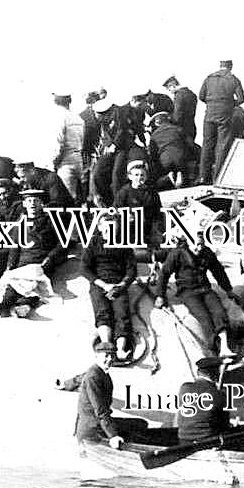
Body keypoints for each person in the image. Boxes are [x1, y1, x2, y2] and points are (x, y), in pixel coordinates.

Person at [0, 189, 67, 318]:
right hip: (24, 260)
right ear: (25, 204)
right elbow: (14, 247)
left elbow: (62, 244)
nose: (32, 204)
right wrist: (9, 266)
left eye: (36, 201)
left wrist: (50, 257)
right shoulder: (20, 223)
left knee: (32, 281)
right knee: (13, 279)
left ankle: (23, 305)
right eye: (29, 201)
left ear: (42, 204)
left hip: (42, 260)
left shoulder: (52, 221)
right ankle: (6, 306)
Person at [155, 232, 239, 358]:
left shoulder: (207, 252)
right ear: (188, 243)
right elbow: (164, 273)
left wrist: (228, 290)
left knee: (219, 312)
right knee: (204, 317)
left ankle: (225, 347)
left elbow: (218, 271)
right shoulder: (177, 253)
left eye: (201, 245)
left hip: (205, 289)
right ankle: (215, 349)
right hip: (187, 292)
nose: (199, 248)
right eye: (196, 245)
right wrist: (160, 295)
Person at [82, 212, 138, 359]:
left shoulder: (124, 245)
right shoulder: (93, 243)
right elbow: (84, 268)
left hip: (119, 284)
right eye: (106, 228)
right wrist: (103, 285)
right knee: (102, 311)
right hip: (100, 284)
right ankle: (106, 344)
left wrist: (122, 284)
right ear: (100, 228)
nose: (109, 231)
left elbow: (131, 270)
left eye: (113, 228)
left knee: (122, 313)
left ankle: (121, 348)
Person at [57, 340, 124, 450]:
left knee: (138, 424)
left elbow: (80, 378)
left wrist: (65, 385)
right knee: (138, 426)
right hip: (92, 430)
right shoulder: (93, 377)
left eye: (112, 356)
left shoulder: (96, 371)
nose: (110, 359)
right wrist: (113, 436)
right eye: (106, 355)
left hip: (91, 425)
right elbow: (100, 410)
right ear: (96, 356)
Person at [198, 59, 244, 184]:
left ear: (220, 66)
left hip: (209, 115)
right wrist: (229, 104)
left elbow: (201, 96)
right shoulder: (233, 79)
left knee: (207, 145)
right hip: (224, 116)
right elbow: (241, 99)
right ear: (231, 66)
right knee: (222, 146)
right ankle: (217, 178)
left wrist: (212, 103)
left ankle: (203, 176)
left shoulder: (209, 78)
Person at [177, 356, 230, 444]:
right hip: (206, 442)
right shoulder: (219, 394)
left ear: (198, 372)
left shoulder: (184, 388)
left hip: (183, 440)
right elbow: (224, 425)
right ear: (215, 373)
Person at [114, 160, 164, 253]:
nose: (139, 178)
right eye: (136, 175)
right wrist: (125, 215)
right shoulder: (124, 192)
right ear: (130, 176)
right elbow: (115, 209)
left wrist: (156, 227)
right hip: (129, 228)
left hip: (148, 228)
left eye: (142, 175)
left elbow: (158, 212)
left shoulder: (152, 193)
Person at [52, 90, 86, 204]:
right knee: (80, 197)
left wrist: (54, 163)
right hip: (78, 159)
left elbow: (59, 145)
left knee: (66, 198)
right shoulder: (78, 118)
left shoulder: (59, 117)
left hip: (65, 162)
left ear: (55, 100)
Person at [147, 113, 190, 188]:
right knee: (182, 161)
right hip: (180, 158)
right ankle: (180, 173)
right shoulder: (178, 129)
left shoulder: (154, 136)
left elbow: (153, 154)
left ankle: (168, 176)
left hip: (165, 161)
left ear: (156, 123)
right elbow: (190, 144)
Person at [164, 75, 198, 143]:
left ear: (173, 85)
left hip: (182, 129)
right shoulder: (191, 94)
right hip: (192, 127)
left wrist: (168, 119)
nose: (169, 91)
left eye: (169, 88)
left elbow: (177, 117)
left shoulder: (179, 96)